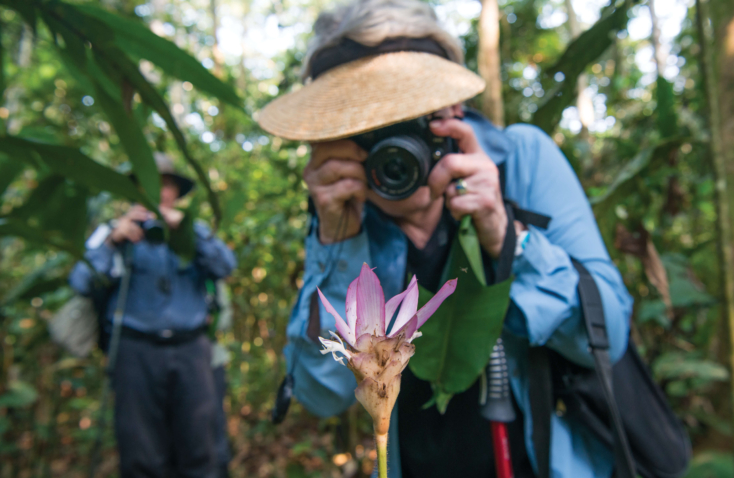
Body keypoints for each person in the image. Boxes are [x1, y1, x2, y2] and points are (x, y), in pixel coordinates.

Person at [258, 0, 633, 477]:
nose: (394, 150)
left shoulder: (520, 160)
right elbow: (320, 394)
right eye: (369, 126)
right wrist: (338, 241)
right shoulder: (343, 207)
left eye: (412, 116)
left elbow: (609, 335)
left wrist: (504, 234)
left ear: (453, 108)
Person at [69, 154, 237, 478]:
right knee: (141, 453)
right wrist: (113, 241)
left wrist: (187, 232)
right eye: (147, 182)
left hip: (192, 351)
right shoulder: (113, 232)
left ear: (175, 193)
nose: (158, 191)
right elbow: (80, 281)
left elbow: (226, 266)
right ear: (133, 189)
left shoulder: (194, 230)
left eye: (166, 185)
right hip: (135, 353)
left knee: (202, 448)